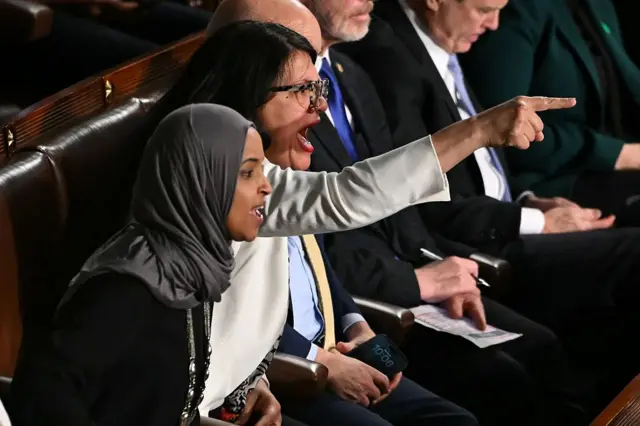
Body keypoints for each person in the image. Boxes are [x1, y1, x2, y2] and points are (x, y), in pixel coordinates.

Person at [147, 19, 480, 426]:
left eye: (318, 87)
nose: (320, 106)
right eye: (303, 90)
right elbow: (348, 197)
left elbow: (310, 279)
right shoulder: (221, 189)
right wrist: (480, 130)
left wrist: (351, 326)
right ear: (249, 98)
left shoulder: (276, 173)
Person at [337, 0, 640, 409]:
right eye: (484, 9)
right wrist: (533, 221)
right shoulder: (387, 60)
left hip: (475, 233)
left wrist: (533, 203)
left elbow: (482, 172)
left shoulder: (441, 44)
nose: (495, 24)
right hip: (473, 244)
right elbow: (427, 201)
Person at [9, 103, 284, 426]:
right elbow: (40, 390)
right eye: (247, 172)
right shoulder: (128, 290)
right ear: (200, 179)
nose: (265, 186)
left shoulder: (191, 269)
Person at [460, 0, 640, 224]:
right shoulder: (511, 9)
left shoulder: (598, 4)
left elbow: (627, 88)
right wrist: (619, 154)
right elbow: (503, 130)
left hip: (606, 167)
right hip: (550, 180)